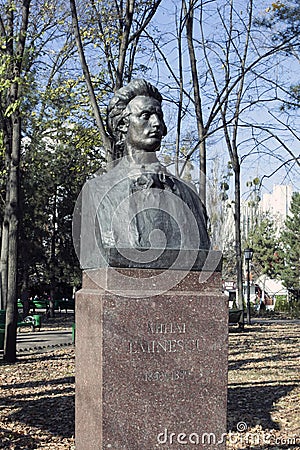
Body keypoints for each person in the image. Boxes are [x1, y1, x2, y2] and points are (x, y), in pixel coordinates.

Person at [75, 79, 210, 269]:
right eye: (145, 115)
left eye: (159, 116)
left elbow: (201, 251)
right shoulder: (97, 191)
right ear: (123, 124)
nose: (156, 123)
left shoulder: (189, 194)